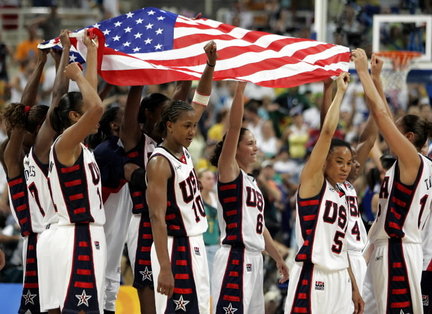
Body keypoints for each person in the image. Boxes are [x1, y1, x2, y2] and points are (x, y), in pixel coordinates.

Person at [353, 48, 432, 314]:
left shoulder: (413, 162)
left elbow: (381, 117)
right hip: (384, 247)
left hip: (398, 250)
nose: (390, 135)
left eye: (397, 132)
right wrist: (377, 79)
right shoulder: (413, 160)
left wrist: (362, 72)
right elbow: (385, 114)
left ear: (408, 138)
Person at [284, 73, 364, 314]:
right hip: (313, 273)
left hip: (341, 275)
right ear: (324, 161)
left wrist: (354, 286)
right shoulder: (312, 183)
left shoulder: (343, 191)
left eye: (349, 163)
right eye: (339, 161)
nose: (345, 168)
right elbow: (326, 133)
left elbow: (339, 248)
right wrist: (338, 92)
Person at [146, 41, 216, 313]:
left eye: (194, 126)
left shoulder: (182, 149)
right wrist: (165, 267)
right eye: (187, 126)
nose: (192, 131)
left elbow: (202, 98)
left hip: (194, 242)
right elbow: (157, 218)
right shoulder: (160, 163)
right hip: (176, 247)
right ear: (170, 126)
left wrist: (209, 66)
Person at [208, 82, 288, 314]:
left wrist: (277, 258)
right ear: (236, 148)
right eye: (250, 143)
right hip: (235, 256)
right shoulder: (229, 170)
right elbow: (233, 128)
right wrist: (240, 92)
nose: (256, 148)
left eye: (256, 143)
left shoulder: (251, 181)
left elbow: (260, 228)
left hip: (256, 258)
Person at [47, 33, 105, 313]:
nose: (97, 120)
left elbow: (90, 101)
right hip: (75, 235)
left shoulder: (77, 142)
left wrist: (91, 53)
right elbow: (96, 107)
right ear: (74, 117)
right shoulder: (65, 142)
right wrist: (77, 75)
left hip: (86, 233)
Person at [1, 48, 49, 314]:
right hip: (33, 239)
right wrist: (40, 64)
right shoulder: (12, 153)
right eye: (42, 126)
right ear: (30, 129)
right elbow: (22, 111)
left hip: (56, 234)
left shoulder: (51, 152)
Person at [26, 30, 70, 314]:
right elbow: (58, 97)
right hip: (58, 232)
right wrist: (64, 52)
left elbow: (23, 107)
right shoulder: (45, 149)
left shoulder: (17, 152)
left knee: (48, 308)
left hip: (38, 237)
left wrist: (44, 63)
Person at [197, 168, 219, 283]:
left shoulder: (216, 198)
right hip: (200, 244)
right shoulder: (195, 198)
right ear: (199, 180)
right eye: (208, 178)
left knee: (213, 281)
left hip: (214, 244)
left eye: (213, 179)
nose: (212, 181)